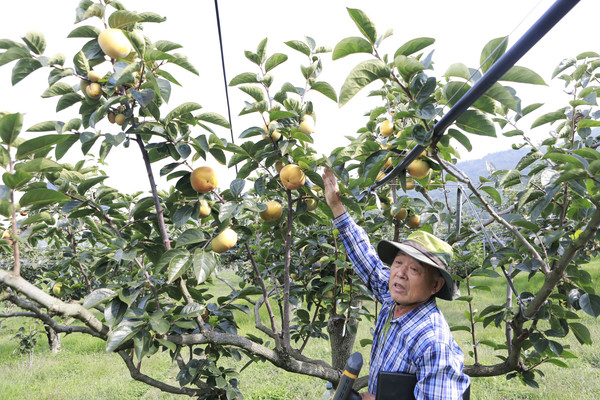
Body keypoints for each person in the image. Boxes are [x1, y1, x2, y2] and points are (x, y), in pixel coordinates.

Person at [322, 168, 471, 400]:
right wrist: (336, 206)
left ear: (435, 285)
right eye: (398, 262)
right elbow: (368, 263)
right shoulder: (394, 299)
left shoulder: (432, 342)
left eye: (414, 269)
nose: (400, 273)